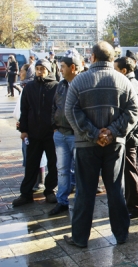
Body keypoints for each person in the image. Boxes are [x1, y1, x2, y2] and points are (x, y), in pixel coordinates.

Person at [63, 41, 138, 248]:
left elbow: (70, 111)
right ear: (112, 58)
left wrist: (93, 133)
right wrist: (112, 132)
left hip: (86, 145)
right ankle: (122, 235)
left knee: (85, 191)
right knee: (115, 189)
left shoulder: (79, 81)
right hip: (114, 146)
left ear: (93, 57)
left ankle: (79, 238)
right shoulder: (123, 81)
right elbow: (134, 112)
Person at [12, 59, 59, 207]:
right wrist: (24, 130)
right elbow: (24, 110)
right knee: (31, 164)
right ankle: (26, 194)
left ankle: (50, 190)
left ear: (48, 70)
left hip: (51, 133)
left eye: (42, 69)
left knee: (53, 164)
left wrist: (57, 127)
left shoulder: (56, 87)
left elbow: (59, 109)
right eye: (37, 68)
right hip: (33, 133)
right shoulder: (30, 87)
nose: (40, 71)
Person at [114, 56, 138, 219]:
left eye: (115, 69)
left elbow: (136, 115)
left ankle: (134, 207)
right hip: (131, 136)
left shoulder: (131, 86)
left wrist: (132, 136)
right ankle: (131, 205)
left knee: (130, 173)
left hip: (130, 137)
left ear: (123, 71)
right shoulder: (131, 84)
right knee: (129, 172)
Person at [49, 49, 81, 215]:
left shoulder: (82, 83)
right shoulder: (60, 85)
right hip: (60, 134)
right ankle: (62, 201)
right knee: (62, 169)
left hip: (76, 135)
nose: (60, 69)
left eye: (62, 66)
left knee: (79, 170)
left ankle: (79, 203)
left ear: (73, 67)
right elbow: (54, 106)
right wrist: (54, 125)